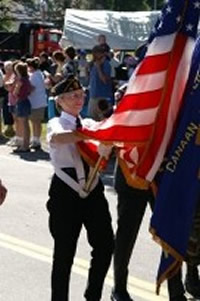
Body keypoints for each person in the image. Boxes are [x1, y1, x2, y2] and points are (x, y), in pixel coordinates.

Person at [46, 75, 114, 301]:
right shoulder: (59, 123)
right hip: (65, 192)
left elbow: (105, 133)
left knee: (105, 245)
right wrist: (87, 135)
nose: (79, 99)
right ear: (61, 101)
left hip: (93, 191)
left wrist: (106, 140)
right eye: (73, 96)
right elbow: (57, 138)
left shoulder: (88, 123)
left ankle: (93, 295)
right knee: (64, 254)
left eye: (81, 95)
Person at [88, 45, 113, 121]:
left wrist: (99, 67)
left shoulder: (106, 64)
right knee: (92, 119)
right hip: (93, 95)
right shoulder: (94, 64)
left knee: (102, 120)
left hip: (102, 96)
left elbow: (105, 80)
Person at [27, 57, 47, 150]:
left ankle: (36, 140)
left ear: (31, 67)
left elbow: (32, 88)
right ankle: (35, 139)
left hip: (36, 101)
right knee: (35, 122)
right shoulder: (39, 73)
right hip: (38, 101)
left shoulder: (34, 75)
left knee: (36, 122)